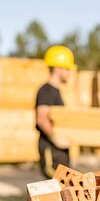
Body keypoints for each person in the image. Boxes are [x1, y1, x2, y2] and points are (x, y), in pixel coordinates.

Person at [35, 45, 75, 179]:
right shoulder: (46, 91)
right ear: (58, 68)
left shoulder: (56, 91)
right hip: (50, 149)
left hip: (58, 152)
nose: (69, 73)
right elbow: (41, 118)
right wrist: (55, 137)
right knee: (55, 188)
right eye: (67, 69)